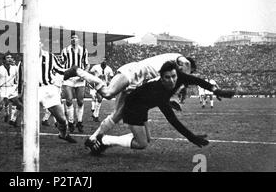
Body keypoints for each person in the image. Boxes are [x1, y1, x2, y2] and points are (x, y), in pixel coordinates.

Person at [85, 61, 235, 155]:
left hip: (142, 106)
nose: (172, 80)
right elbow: (172, 119)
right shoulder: (159, 93)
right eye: (167, 77)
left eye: (174, 76)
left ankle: (103, 139)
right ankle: (104, 140)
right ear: (161, 78)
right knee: (142, 144)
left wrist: (216, 90)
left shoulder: (179, 77)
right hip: (132, 107)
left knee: (147, 139)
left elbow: (198, 81)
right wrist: (191, 137)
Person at [65, 53, 196, 142]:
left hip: (138, 83)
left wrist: (170, 99)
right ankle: (78, 71)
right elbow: (184, 62)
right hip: (133, 72)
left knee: (117, 115)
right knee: (108, 93)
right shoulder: (180, 59)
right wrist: (185, 76)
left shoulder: (170, 71)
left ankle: (93, 139)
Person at [34, 41, 77, 143]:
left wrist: (72, 71)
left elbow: (60, 70)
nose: (36, 45)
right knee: (27, 117)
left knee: (61, 119)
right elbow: (22, 77)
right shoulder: (26, 58)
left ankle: (63, 135)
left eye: (38, 43)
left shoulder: (50, 57)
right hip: (33, 90)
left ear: (41, 44)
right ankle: (25, 140)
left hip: (48, 88)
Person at [60, 34, 89, 133]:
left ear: (78, 40)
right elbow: (61, 64)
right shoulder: (65, 50)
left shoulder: (83, 50)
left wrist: (83, 74)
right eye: (72, 38)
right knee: (68, 100)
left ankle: (79, 122)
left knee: (80, 101)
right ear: (70, 40)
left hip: (79, 78)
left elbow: (87, 64)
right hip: (68, 78)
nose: (73, 39)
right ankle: (71, 122)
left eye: (75, 38)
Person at [0, 54, 22, 129]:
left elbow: (18, 78)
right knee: (0, 106)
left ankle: (13, 120)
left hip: (11, 89)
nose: (10, 59)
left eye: (11, 57)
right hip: (2, 89)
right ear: (4, 60)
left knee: (19, 105)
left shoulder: (15, 68)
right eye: (8, 58)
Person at [89, 58, 114, 122]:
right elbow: (90, 73)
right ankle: (96, 115)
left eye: (105, 60)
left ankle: (95, 114)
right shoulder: (95, 67)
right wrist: (94, 78)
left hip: (103, 85)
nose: (103, 61)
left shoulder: (109, 69)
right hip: (96, 84)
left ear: (106, 61)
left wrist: (109, 82)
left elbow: (111, 77)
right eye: (102, 60)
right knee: (97, 98)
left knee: (99, 100)